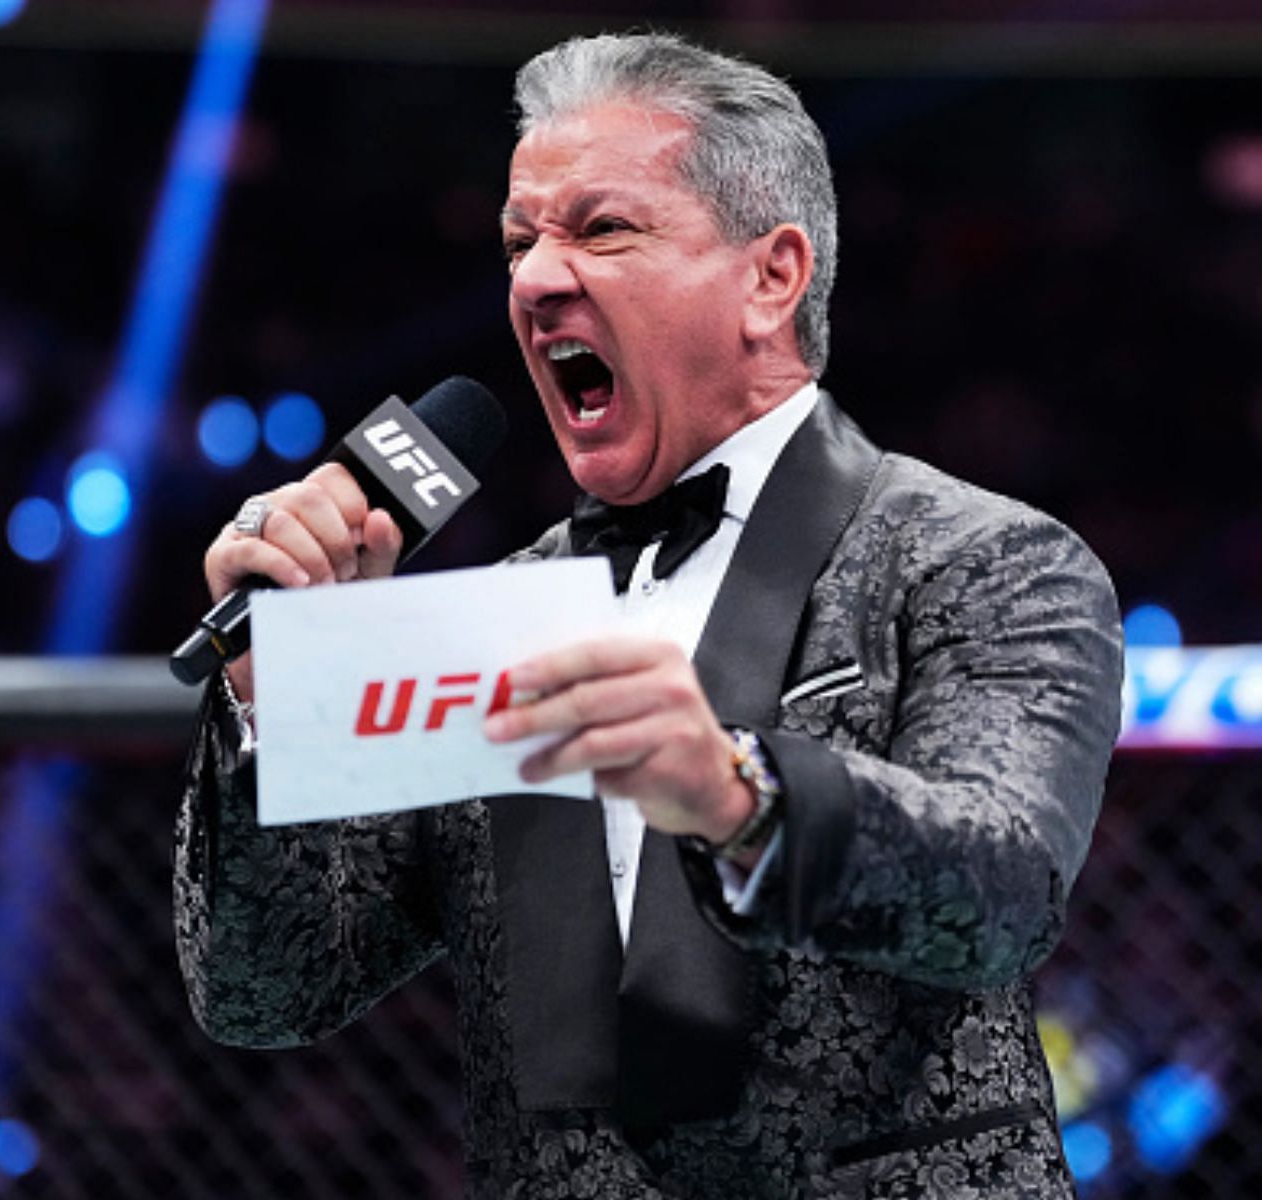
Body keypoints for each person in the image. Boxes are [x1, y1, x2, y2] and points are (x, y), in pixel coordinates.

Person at [175, 31, 1123, 1199]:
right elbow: (267, 994)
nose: (533, 279)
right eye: (520, 243)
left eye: (601, 229)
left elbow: (1000, 892)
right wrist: (271, 699)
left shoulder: (982, 560)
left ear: (771, 278)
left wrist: (735, 797)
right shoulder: (497, 621)